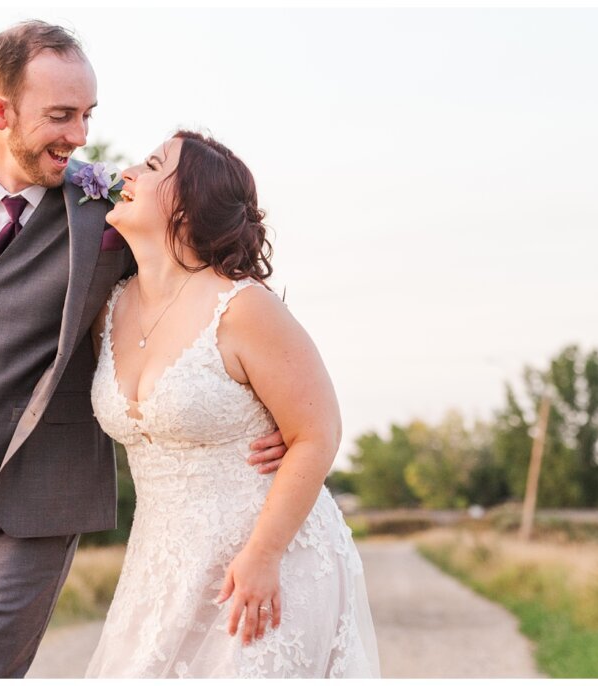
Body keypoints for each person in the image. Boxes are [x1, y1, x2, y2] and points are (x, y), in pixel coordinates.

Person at [0, 22, 286, 678]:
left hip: (24, 519)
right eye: (60, 116)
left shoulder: (110, 207)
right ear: (1, 112)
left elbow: (206, 274)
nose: (80, 136)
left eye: (88, 115)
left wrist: (265, 412)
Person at [84, 131, 380, 678]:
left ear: (187, 206)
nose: (127, 172)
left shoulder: (242, 307)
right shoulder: (108, 309)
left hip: (271, 561)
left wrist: (264, 555)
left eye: (151, 166)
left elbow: (318, 433)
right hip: (163, 566)